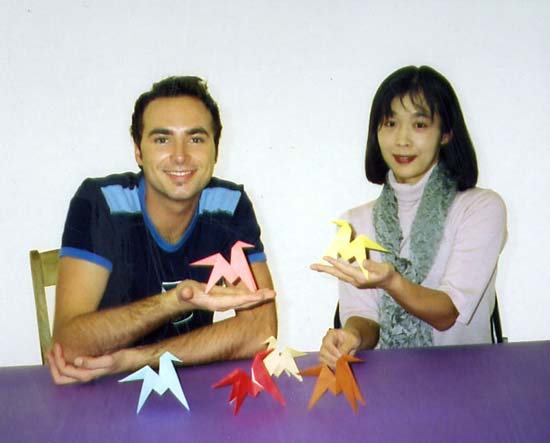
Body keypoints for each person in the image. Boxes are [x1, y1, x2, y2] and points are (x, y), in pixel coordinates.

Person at [47, 76, 277, 384]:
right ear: (138, 151)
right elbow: (69, 346)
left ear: (215, 151)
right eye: (162, 139)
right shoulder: (101, 202)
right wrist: (177, 300)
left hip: (187, 388)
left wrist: (138, 359)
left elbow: (261, 332)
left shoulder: (228, 204)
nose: (180, 155)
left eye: (196, 139)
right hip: (104, 389)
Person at [311, 65, 507, 367]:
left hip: (468, 382)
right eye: (390, 123)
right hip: (385, 385)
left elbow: (447, 313)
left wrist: (393, 281)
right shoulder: (353, 223)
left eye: (419, 125)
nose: (401, 140)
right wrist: (352, 336)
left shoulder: (480, 208)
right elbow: (365, 318)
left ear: (446, 134)